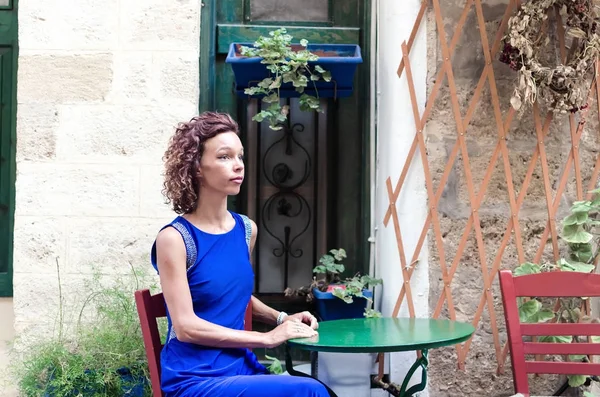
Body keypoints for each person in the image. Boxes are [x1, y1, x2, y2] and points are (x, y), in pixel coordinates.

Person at [150, 112, 329, 397]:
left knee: (311, 389)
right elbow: (185, 327)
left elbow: (233, 295)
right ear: (196, 167)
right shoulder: (175, 239)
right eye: (224, 157)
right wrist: (266, 338)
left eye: (240, 157)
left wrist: (282, 318)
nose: (238, 166)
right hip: (195, 378)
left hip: (241, 369)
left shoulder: (246, 230)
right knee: (308, 391)